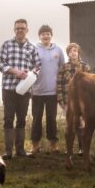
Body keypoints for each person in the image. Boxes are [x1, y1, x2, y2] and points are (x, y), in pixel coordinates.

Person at [0, 19, 41, 159]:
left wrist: (30, 74)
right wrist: (16, 72)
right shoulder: (7, 45)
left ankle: (20, 150)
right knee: (9, 118)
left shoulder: (32, 48)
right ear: (14, 30)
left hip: (25, 90)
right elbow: (0, 63)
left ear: (27, 30)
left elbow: (38, 65)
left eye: (22, 28)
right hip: (9, 88)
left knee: (21, 119)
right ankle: (8, 151)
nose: (20, 30)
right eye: (17, 28)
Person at [30, 25, 65, 154]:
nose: (46, 36)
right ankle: (35, 145)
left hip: (52, 92)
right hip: (37, 91)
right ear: (39, 36)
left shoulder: (58, 51)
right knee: (36, 119)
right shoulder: (34, 49)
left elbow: (62, 69)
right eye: (43, 34)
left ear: (51, 35)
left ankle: (53, 144)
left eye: (48, 34)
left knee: (52, 118)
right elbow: (29, 68)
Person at [57, 43, 91, 155]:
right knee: (70, 124)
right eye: (70, 51)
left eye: (75, 50)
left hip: (82, 102)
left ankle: (82, 148)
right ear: (68, 54)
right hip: (68, 101)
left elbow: (91, 85)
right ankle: (69, 149)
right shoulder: (64, 67)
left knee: (81, 124)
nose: (73, 53)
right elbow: (59, 84)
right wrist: (61, 101)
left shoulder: (85, 67)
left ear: (78, 52)